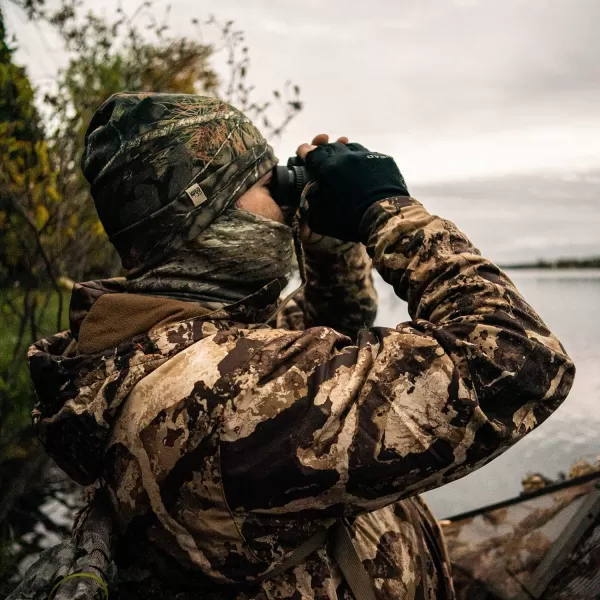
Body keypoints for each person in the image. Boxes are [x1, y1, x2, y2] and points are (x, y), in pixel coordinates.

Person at [21, 92, 574, 600]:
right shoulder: (212, 393)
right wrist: (385, 208)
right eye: (269, 186)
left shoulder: (157, 343)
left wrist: (328, 242)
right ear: (206, 217)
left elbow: (334, 327)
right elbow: (515, 360)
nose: (287, 203)